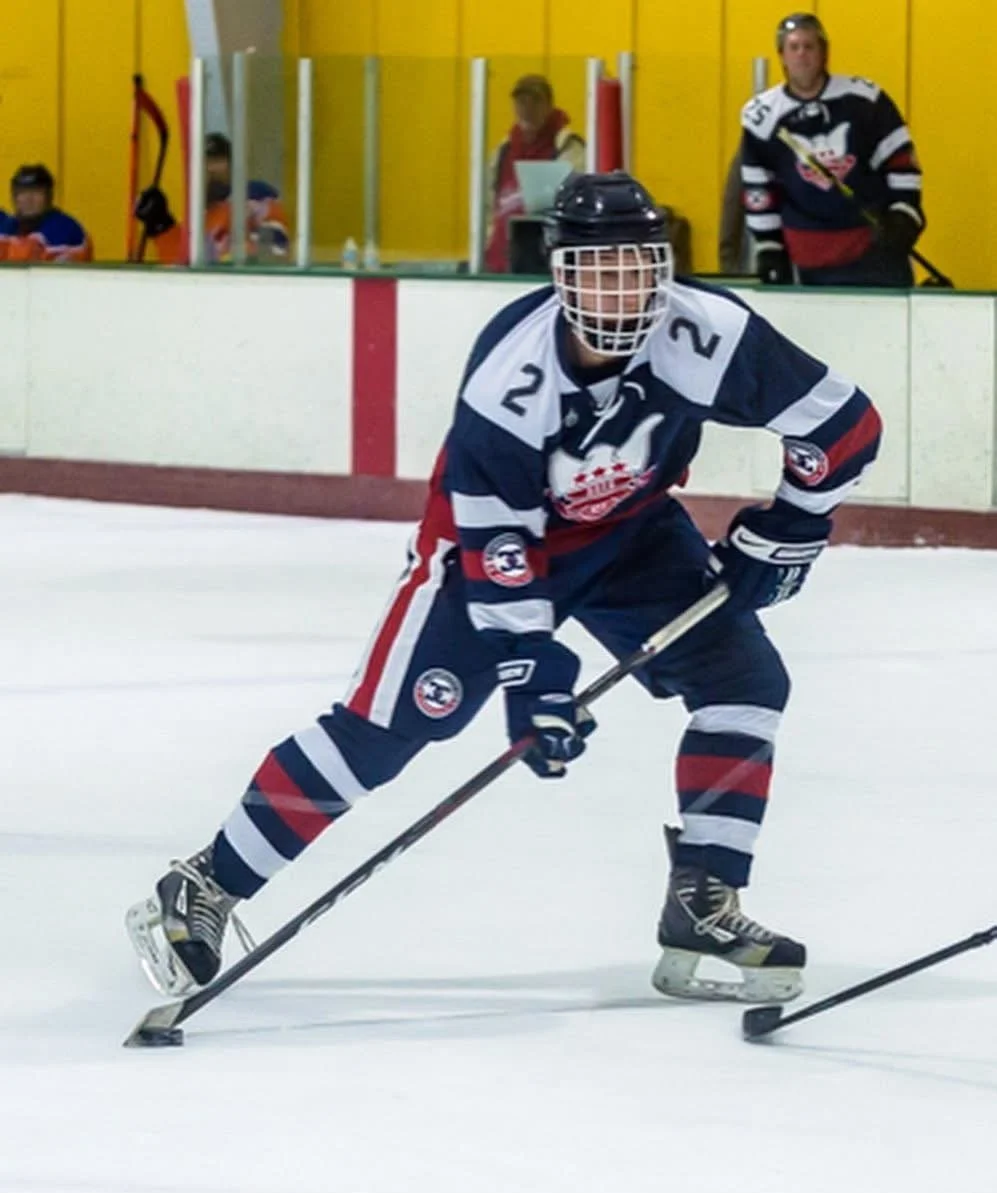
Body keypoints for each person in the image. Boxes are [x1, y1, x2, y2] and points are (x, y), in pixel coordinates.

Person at [127, 171, 882, 1006]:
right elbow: (494, 539)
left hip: (630, 536)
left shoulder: (707, 334)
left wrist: (793, 526)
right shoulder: (508, 376)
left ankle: (704, 899)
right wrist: (528, 662)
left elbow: (843, 423)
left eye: (638, 267)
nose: (623, 291)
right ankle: (205, 885)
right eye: (599, 270)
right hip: (484, 550)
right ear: (559, 274)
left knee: (744, 682)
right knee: (388, 728)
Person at [740, 13, 924, 287]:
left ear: (824, 52)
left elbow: (899, 160)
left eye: (809, 46)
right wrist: (769, 247)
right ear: (782, 55)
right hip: (806, 257)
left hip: (874, 248)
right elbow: (759, 189)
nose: (802, 55)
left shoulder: (865, 99)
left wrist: (904, 213)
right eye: (794, 47)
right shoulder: (761, 117)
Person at [133, 132, 290, 265]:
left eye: (217, 161)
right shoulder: (199, 216)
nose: (210, 169)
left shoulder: (256, 194)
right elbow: (178, 267)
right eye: (204, 162)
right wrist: (161, 225)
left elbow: (275, 251)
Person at [485, 74, 585, 274]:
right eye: (521, 102)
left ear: (549, 106)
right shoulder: (503, 150)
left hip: (544, 259)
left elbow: (573, 200)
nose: (527, 109)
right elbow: (488, 204)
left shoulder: (568, 148)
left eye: (535, 102)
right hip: (500, 258)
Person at [0, 165, 93, 262]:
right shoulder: (8, 225)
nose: (28, 199)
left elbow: (49, 274)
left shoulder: (64, 228)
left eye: (36, 192)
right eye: (22, 193)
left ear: (49, 197)